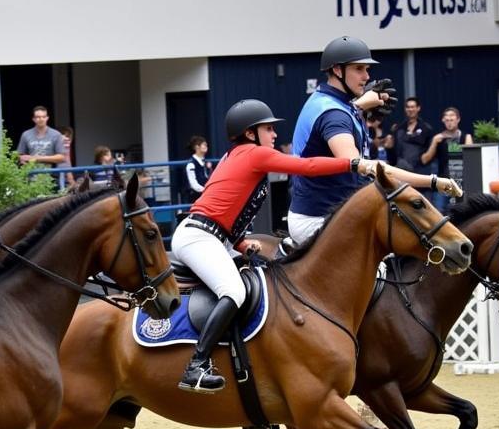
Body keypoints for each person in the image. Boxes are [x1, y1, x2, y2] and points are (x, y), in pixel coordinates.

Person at [171, 100, 379, 392]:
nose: (273, 135)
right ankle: (196, 365)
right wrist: (353, 162)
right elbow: (306, 166)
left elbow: (222, 210)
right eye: (268, 129)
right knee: (234, 290)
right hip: (199, 237)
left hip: (212, 236)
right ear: (250, 133)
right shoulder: (253, 154)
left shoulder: (237, 155)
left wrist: (241, 244)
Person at [287, 36, 457, 244]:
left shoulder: (332, 101)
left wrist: (359, 107)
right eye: (359, 69)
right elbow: (361, 166)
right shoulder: (334, 115)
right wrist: (433, 181)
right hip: (319, 219)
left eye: (367, 69)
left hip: (334, 212)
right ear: (337, 70)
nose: (366, 76)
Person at [184, 135, 210, 202]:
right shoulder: (191, 164)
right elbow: (193, 184)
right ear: (197, 147)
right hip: (196, 197)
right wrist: (205, 190)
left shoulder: (205, 162)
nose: (206, 146)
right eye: (204, 145)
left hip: (206, 195)